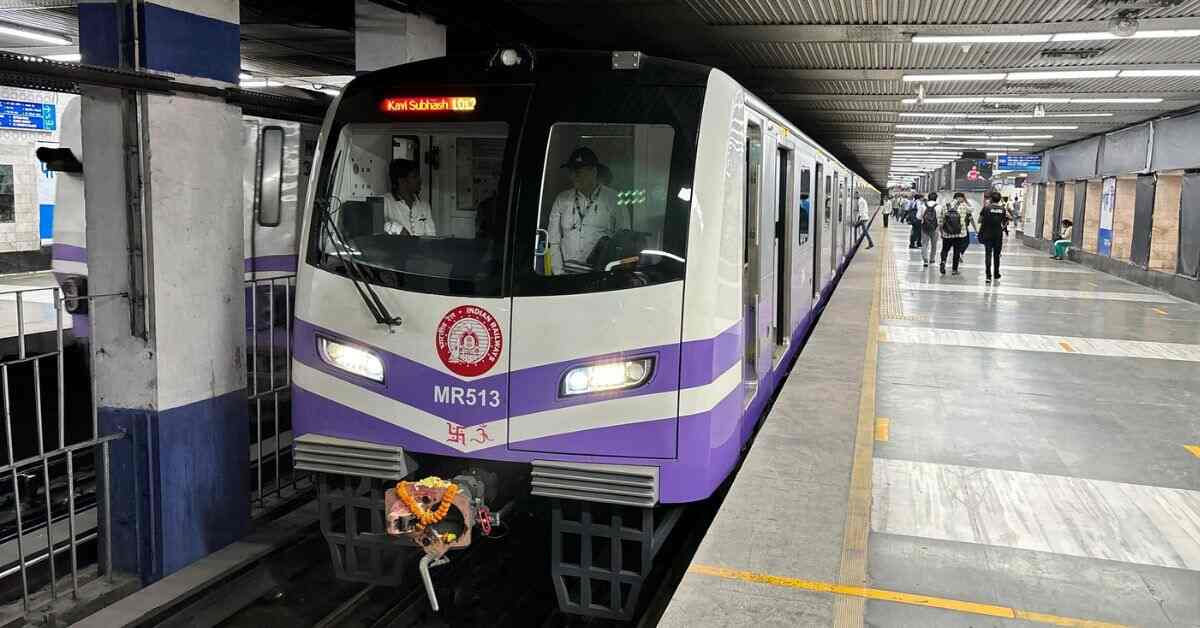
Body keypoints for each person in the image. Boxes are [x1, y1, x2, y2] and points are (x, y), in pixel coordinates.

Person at [546, 147, 620, 275]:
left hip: (600, 275)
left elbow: (622, 240)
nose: (574, 176)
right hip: (566, 275)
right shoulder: (561, 199)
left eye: (579, 171)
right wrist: (559, 274)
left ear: (594, 172)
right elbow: (554, 242)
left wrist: (609, 276)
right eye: (571, 172)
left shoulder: (613, 199)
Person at [383, 158, 436, 236]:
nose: (420, 180)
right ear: (401, 180)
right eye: (414, 177)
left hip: (420, 248)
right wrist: (398, 229)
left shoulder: (424, 205)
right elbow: (375, 225)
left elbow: (431, 235)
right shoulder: (385, 201)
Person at [939, 193, 976, 276]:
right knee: (956, 251)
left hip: (947, 233)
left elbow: (941, 221)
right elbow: (972, 209)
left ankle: (943, 261)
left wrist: (941, 232)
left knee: (945, 249)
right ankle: (954, 270)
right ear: (961, 198)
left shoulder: (946, 206)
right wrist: (966, 201)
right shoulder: (963, 206)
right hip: (959, 234)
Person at [978, 191, 1007, 283]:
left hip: (987, 233)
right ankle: (996, 273)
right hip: (998, 234)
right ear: (999, 199)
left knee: (988, 254)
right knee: (996, 255)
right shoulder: (1003, 209)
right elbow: (1006, 220)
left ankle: (988, 276)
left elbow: (979, 220)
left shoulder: (986, 208)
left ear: (991, 199)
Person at [917, 193, 941, 267]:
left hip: (925, 227)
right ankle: (932, 259)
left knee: (924, 244)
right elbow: (941, 218)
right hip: (935, 227)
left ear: (928, 197)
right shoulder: (939, 206)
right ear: (936, 198)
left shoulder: (923, 205)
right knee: (934, 244)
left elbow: (918, 217)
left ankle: (925, 260)